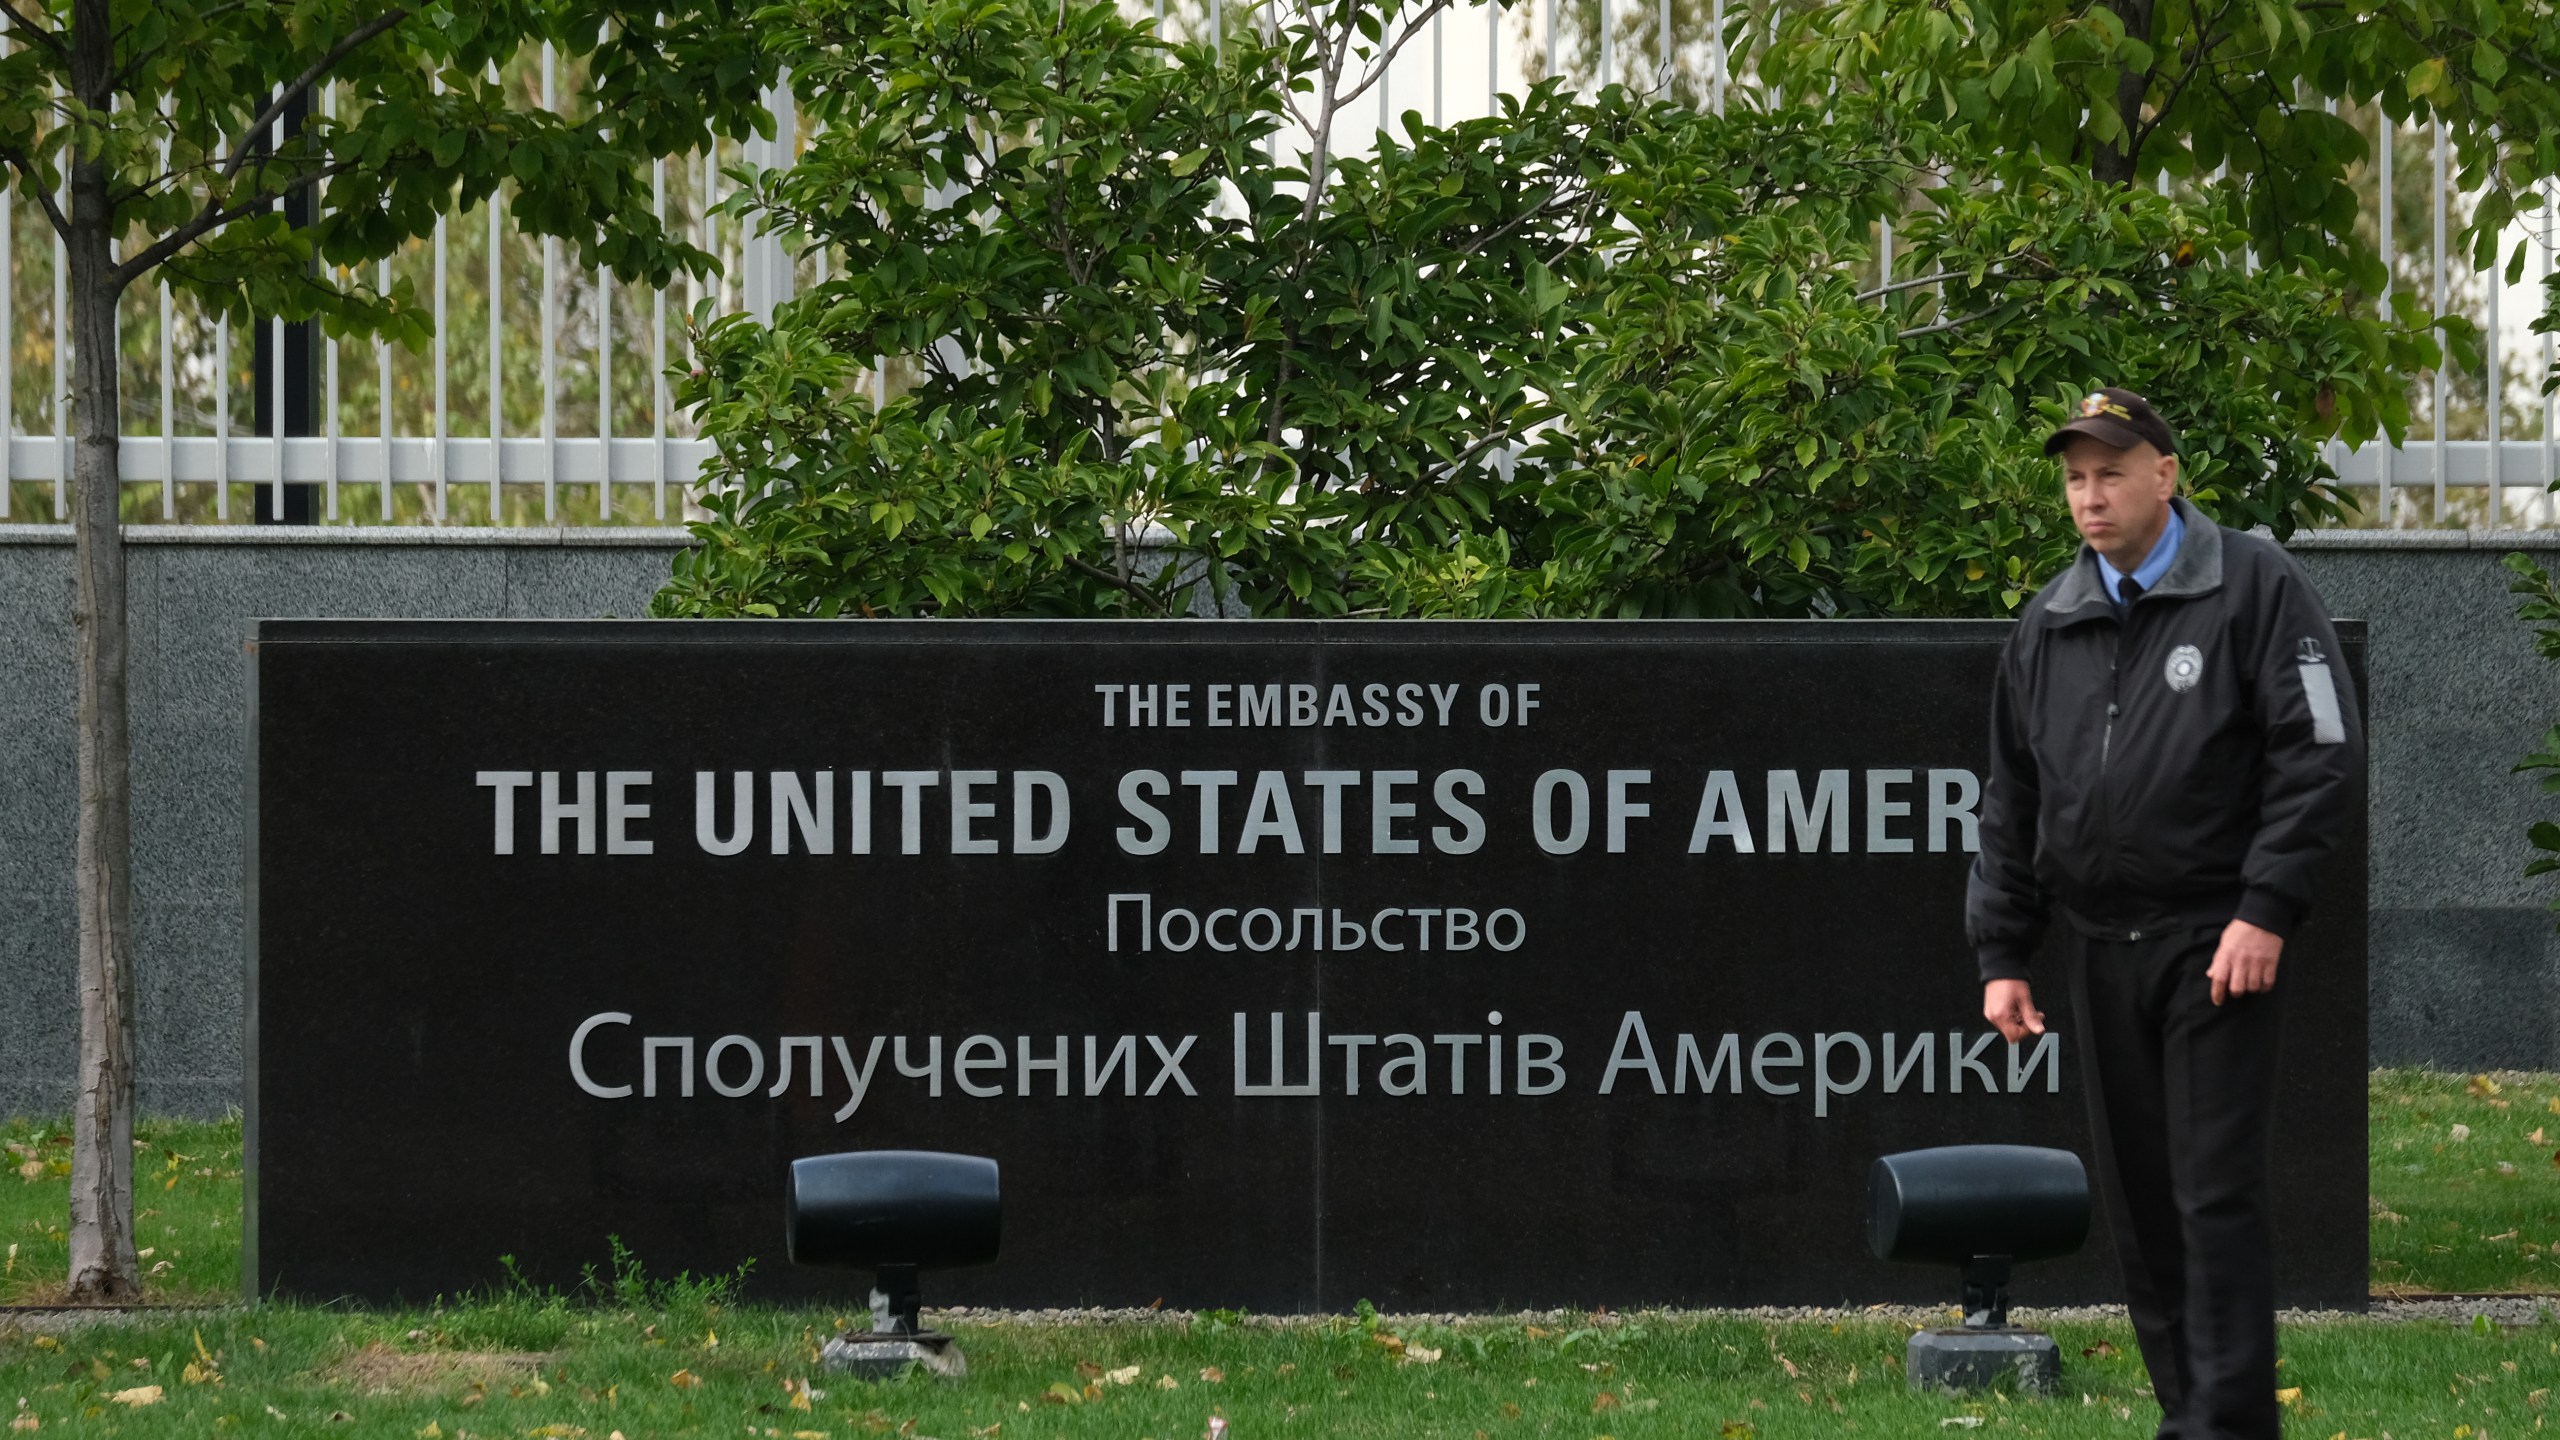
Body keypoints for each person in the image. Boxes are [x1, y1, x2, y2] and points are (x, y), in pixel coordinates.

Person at [1966, 388, 2362, 1440]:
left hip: (2215, 942)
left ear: (2165, 476)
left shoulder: (2254, 586)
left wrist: (2265, 908)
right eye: (2073, 478)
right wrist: (2005, 948)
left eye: (2109, 473)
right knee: (2143, 1211)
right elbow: (2011, 796)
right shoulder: (2049, 619)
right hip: (2099, 948)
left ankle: (2229, 1425)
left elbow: (2317, 755)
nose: (2088, 497)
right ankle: (2190, 1414)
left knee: (2211, 1193)